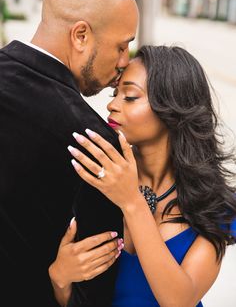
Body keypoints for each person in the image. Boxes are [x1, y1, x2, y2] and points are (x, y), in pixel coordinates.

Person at [49, 45, 236, 307]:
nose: (111, 105)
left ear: (173, 108)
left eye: (130, 97)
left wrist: (132, 202)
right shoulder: (95, 177)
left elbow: (179, 301)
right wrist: (60, 277)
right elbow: (79, 299)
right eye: (115, 94)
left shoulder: (216, 203)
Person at [0, 0, 138, 306]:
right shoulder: (96, 144)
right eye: (121, 47)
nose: (124, 62)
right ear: (81, 36)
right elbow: (93, 295)